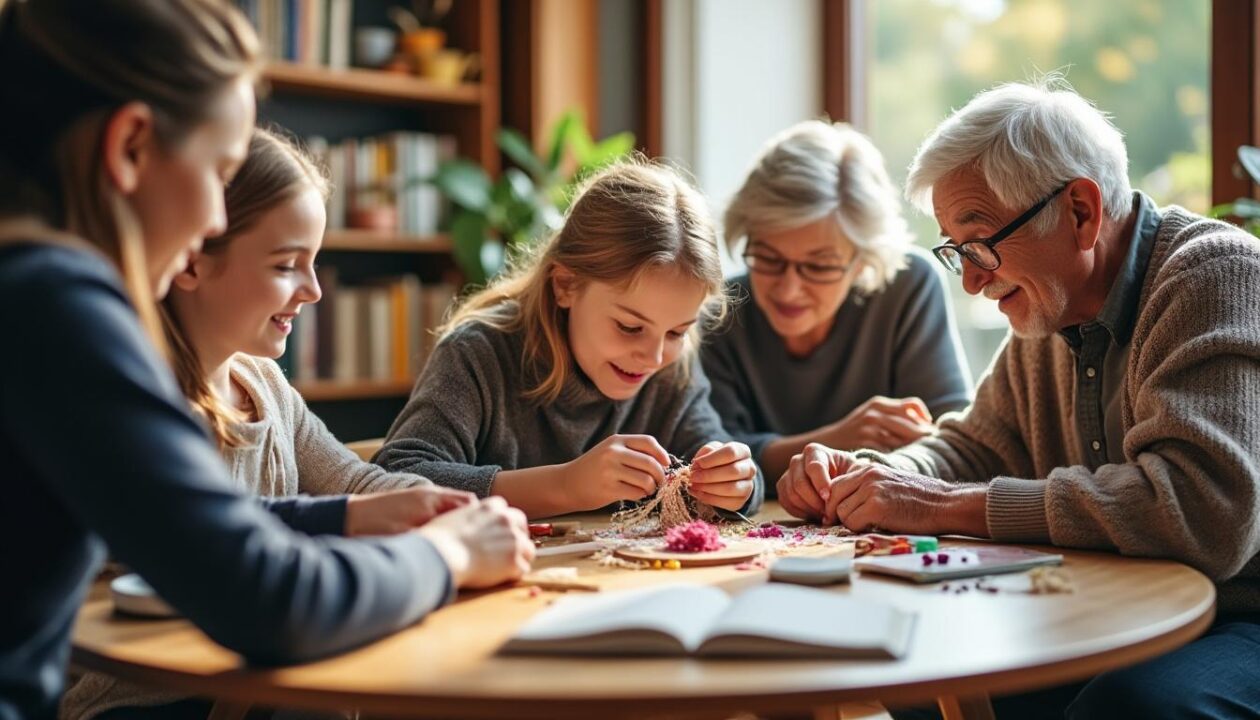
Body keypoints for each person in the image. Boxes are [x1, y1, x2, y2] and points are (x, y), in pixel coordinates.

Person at [0, 3, 531, 719]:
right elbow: (273, 601)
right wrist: (450, 555)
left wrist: (345, 516)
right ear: (129, 146)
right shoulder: (55, 302)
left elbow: (199, 534)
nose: (213, 224)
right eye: (218, 175)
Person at [777, 78, 1260, 719]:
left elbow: (1203, 513)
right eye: (956, 252)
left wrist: (943, 506)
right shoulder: (1051, 307)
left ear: (1081, 212)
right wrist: (876, 477)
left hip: (1239, 615)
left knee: (1134, 708)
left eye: (980, 245)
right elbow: (975, 444)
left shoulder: (1213, 274)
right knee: (927, 685)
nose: (973, 281)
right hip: (1124, 606)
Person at [62, 127, 484, 720]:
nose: (312, 291)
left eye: (315, 264)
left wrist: (444, 508)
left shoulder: (264, 383)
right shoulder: (143, 399)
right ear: (191, 262)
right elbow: (174, 556)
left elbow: (355, 484)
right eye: (288, 265)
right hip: (145, 696)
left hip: (264, 672)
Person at [375, 160, 763, 519]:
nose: (654, 355)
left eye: (678, 331)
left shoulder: (671, 370)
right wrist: (564, 487)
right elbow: (393, 478)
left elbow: (740, 477)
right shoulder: (479, 355)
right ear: (565, 286)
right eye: (629, 327)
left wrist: (737, 483)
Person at [704, 120, 971, 481]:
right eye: (768, 258)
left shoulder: (908, 286)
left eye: (819, 266)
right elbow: (706, 455)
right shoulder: (719, 311)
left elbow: (954, 442)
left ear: (862, 261)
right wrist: (838, 440)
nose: (788, 288)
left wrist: (777, 455)